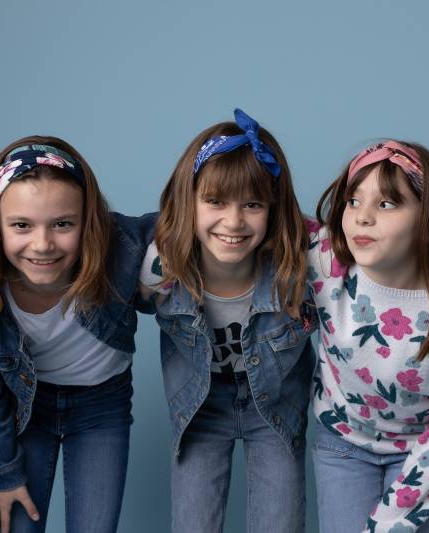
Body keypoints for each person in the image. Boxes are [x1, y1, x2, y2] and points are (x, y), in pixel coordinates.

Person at [0, 136, 155, 533]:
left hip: (102, 408)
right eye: (21, 225)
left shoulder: (119, 247)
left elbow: (181, 224)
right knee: (19, 522)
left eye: (62, 224)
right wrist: (4, 473)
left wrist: (161, 266)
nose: (42, 245)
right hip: (26, 413)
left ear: (88, 222)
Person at [308, 140, 429, 533]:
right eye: (353, 201)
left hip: (422, 457)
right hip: (342, 444)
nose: (362, 217)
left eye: (386, 204)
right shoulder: (325, 261)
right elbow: (263, 227)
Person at [139, 109, 317, 533]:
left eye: (252, 204)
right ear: (189, 201)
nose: (233, 222)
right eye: (215, 202)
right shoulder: (161, 266)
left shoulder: (300, 265)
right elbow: (104, 293)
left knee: (281, 523)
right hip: (201, 407)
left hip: (274, 405)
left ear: (273, 209)